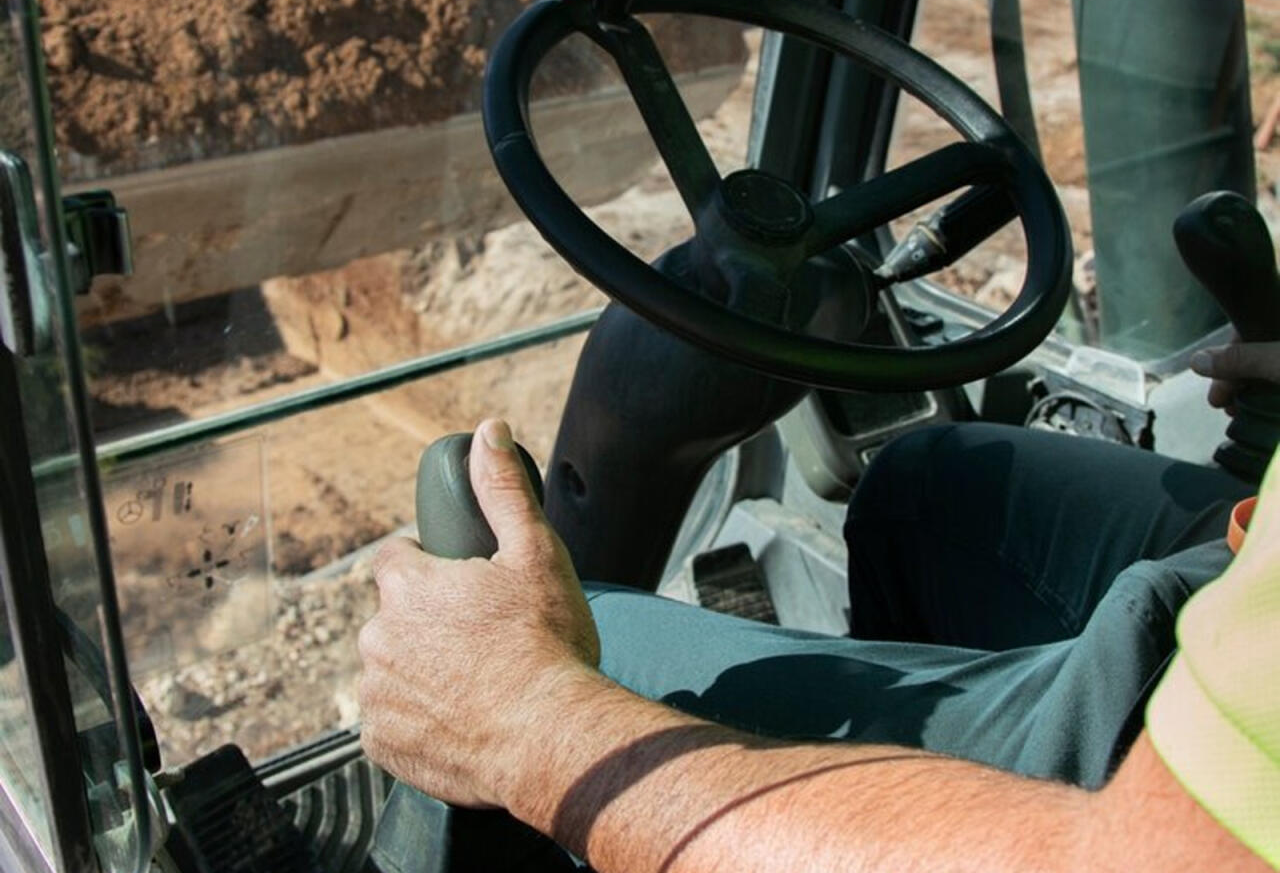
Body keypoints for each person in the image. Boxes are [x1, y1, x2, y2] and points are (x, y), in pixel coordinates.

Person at [357, 340, 1280, 871]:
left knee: (594, 650)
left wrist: (524, 724)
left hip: (1170, 783)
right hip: (1243, 568)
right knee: (927, 486)